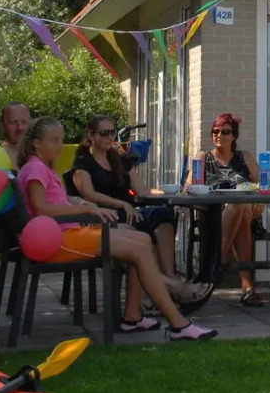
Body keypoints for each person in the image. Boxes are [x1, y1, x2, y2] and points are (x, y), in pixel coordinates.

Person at [18, 116, 215, 340]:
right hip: (62, 239)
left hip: (69, 233)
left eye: (61, 140)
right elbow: (42, 209)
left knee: (142, 239)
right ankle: (178, 323)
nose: (60, 146)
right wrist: (88, 210)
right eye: (54, 140)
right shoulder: (35, 169)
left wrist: (80, 203)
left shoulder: (42, 168)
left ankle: (133, 316)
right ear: (35, 143)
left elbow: (57, 201)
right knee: (139, 249)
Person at [68, 114, 208, 303]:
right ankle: (167, 289)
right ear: (91, 135)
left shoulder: (119, 159)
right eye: (104, 133)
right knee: (142, 234)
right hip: (106, 216)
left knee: (163, 214)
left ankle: (170, 277)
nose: (110, 137)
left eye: (112, 132)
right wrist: (121, 203)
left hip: (131, 213)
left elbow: (142, 190)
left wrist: (174, 196)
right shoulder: (83, 163)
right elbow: (88, 194)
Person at [184, 113, 265, 307]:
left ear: (234, 136)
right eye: (215, 131)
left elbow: (262, 184)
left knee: (241, 207)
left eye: (225, 132)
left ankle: (213, 270)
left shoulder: (244, 157)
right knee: (240, 206)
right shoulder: (203, 158)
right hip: (212, 217)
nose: (219, 135)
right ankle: (247, 287)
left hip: (247, 216)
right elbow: (188, 188)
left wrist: (261, 200)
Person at [0, 101, 30, 167]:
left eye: (24, 122)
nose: (20, 128)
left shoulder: (41, 154)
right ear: (3, 126)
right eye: (13, 122)